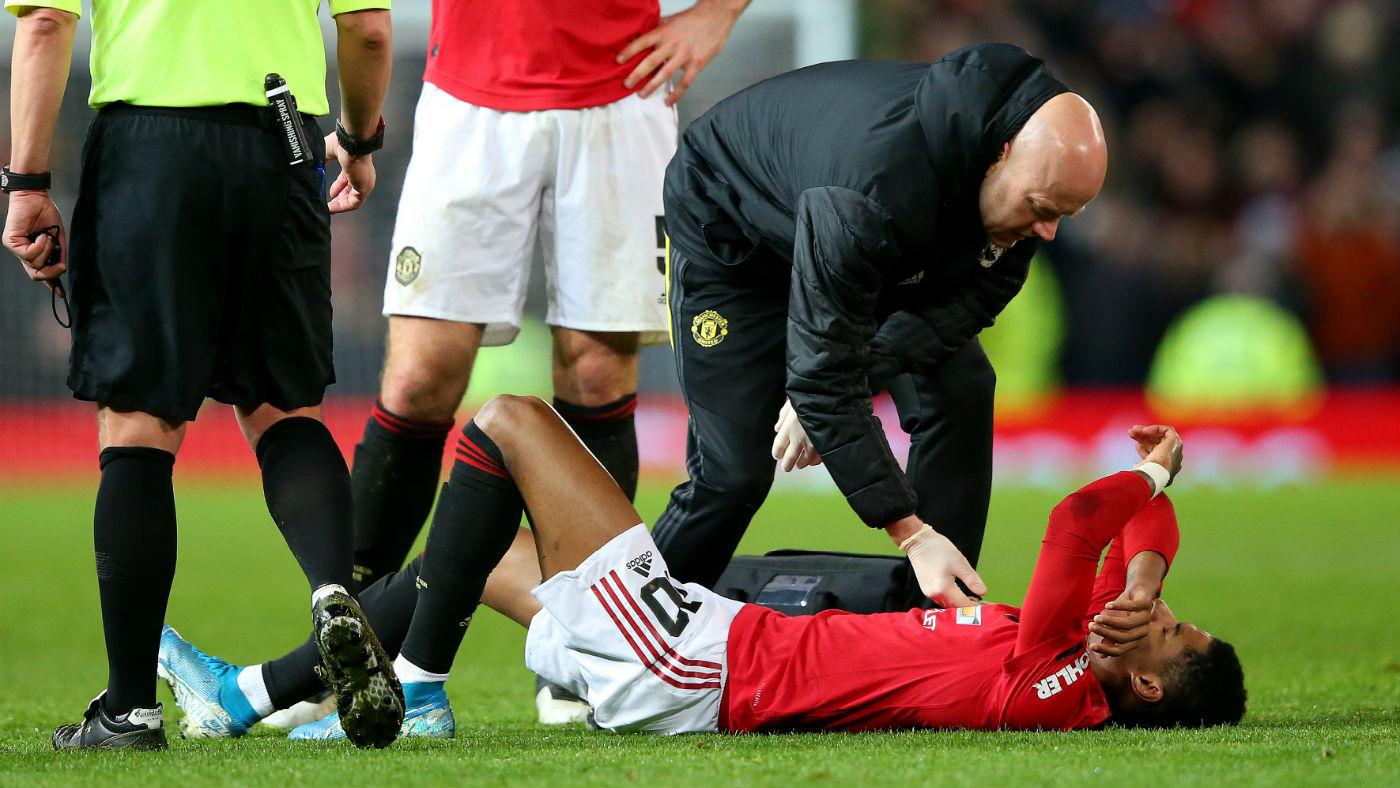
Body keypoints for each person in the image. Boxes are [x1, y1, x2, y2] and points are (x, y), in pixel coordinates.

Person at [158, 396, 1244, 740]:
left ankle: (426, 685)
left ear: (1146, 681)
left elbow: (1070, 527)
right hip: (698, 643)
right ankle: (242, 696)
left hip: (695, 659)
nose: (1160, 611)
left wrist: (1144, 484)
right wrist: (1145, 565)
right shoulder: (1077, 658)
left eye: (1174, 630)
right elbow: (1115, 560)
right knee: (470, 548)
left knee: (505, 421)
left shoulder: (1052, 680)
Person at [338, 0, 748, 726]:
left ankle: (586, 653)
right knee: (418, 377)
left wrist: (717, 12)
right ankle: (346, 650)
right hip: (470, 95)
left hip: (621, 93)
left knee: (596, 373)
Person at [3, 0, 398, 750]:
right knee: (286, 412)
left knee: (139, 427)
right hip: (280, 145)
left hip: (147, 149)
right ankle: (333, 592)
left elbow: (45, 24)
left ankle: (128, 710)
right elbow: (370, 27)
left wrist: (25, 181)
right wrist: (356, 140)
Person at [652, 43, 1109, 605]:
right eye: (1041, 208)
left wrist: (849, 376)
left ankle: (938, 622)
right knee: (731, 476)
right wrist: (911, 533)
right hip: (736, 241)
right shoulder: (872, 191)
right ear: (1001, 153)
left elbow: (974, 299)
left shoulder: (1022, 181)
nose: (1047, 233)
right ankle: (609, 652)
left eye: (1064, 214)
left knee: (960, 384)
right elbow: (824, 380)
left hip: (853, 240)